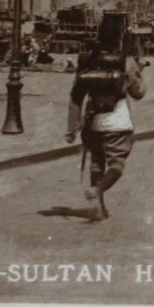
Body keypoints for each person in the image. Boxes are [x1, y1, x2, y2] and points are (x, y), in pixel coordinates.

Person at [65, 14, 146, 222]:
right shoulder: (125, 63)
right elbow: (139, 93)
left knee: (96, 162)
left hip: (92, 121)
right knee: (117, 164)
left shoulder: (87, 63)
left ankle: (98, 209)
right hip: (118, 121)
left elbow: (76, 97)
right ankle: (98, 189)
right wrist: (140, 71)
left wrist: (71, 127)